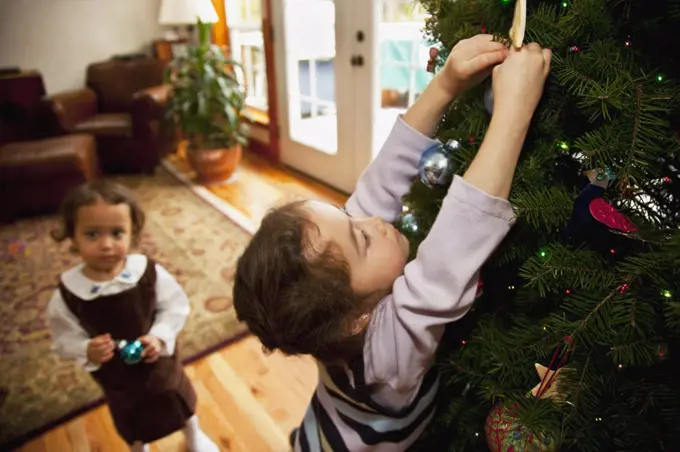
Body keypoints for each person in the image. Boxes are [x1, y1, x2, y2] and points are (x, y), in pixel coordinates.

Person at [233, 35, 552, 451]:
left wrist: (446, 83)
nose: (372, 219)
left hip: (328, 418)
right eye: (361, 237)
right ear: (356, 321)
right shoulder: (385, 356)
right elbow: (446, 260)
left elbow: (377, 184)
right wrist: (514, 111)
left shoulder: (332, 316)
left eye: (347, 216)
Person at [46, 181, 218, 452]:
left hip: (159, 361)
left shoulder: (147, 273)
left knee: (177, 396)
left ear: (132, 233)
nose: (106, 245)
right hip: (118, 378)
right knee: (130, 415)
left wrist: (159, 336)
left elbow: (175, 306)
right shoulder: (68, 293)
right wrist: (86, 349)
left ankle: (193, 433)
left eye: (117, 233)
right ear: (73, 236)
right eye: (92, 234)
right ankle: (139, 446)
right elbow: (63, 337)